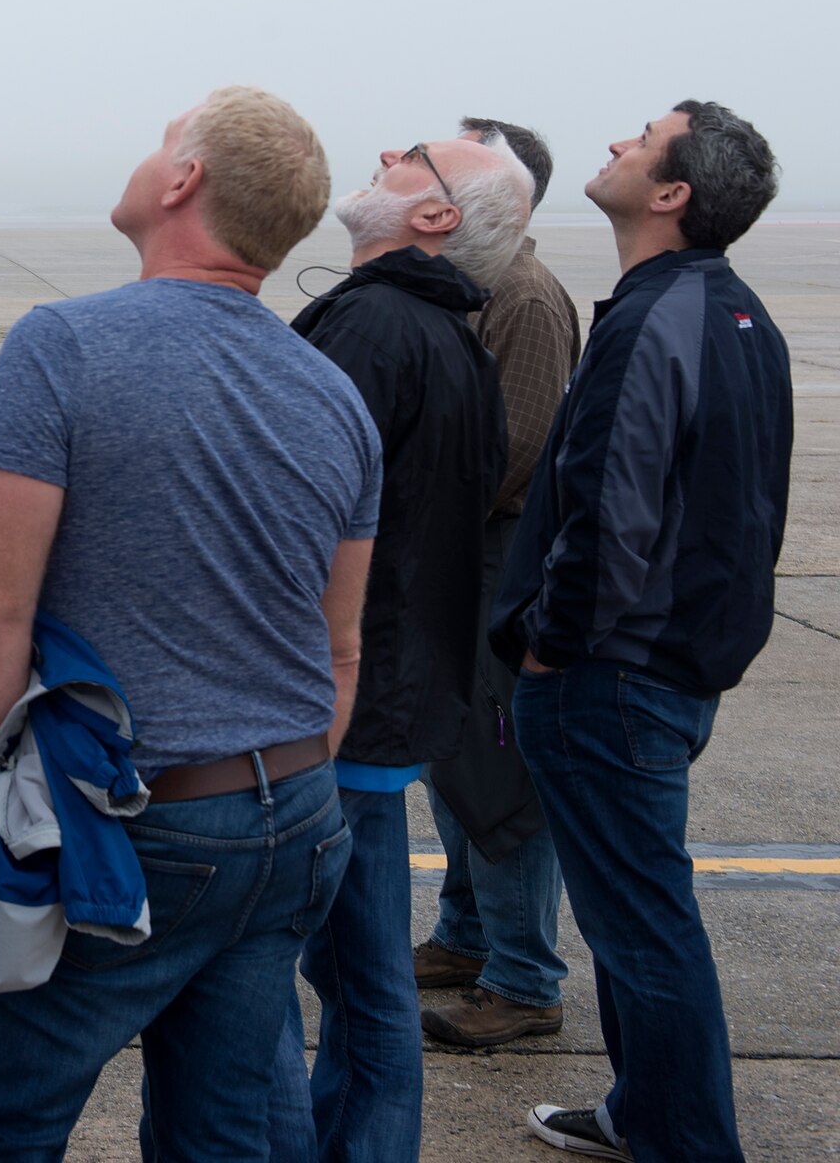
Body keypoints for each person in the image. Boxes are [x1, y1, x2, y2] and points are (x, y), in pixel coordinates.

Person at [0, 89, 380, 1160]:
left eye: (163, 142)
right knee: (223, 1132)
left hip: (134, 820)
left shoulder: (63, 345)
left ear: (181, 183)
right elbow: (339, 644)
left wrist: (1, 810)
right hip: (292, 816)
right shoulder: (330, 393)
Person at [496, 103, 788, 1163]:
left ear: (670, 193)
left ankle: (685, 1139)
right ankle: (644, 1110)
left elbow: (608, 512)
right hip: (671, 664)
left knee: (643, 922)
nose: (617, 142)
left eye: (640, 139)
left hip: (607, 673)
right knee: (628, 909)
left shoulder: (653, 315)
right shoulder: (731, 308)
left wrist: (548, 641)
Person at [269, 135, 529, 1163]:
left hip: (347, 708)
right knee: (356, 971)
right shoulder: (432, 327)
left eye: (412, 155)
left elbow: (292, 516)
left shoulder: (376, 326)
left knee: (355, 978)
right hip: (385, 694)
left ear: (431, 218)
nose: (381, 150)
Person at [416, 118, 582, 1049]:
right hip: (458, 560)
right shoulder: (475, 285)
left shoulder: (521, 294)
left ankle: (524, 979)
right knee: (455, 763)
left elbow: (513, 455)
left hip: (495, 562)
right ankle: (466, 936)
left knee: (499, 777)